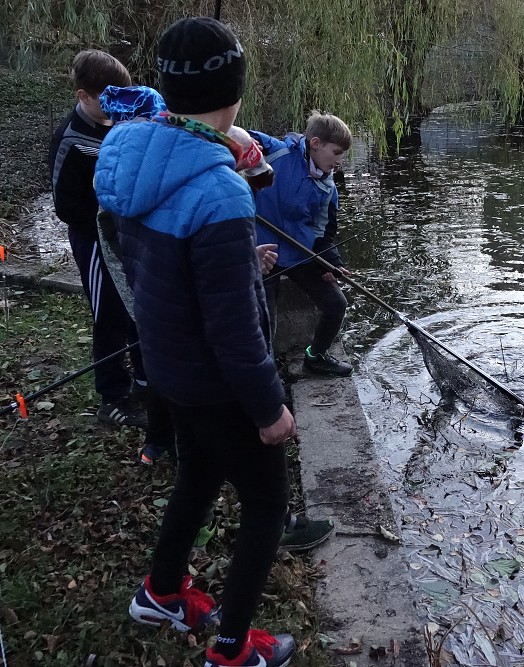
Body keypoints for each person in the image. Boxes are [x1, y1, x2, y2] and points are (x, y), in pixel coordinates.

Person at [94, 17, 296, 667]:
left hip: (167, 365)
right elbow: (236, 334)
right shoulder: (217, 192)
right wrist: (270, 410)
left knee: (201, 475)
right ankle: (233, 650)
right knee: (267, 500)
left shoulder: (132, 151)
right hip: (216, 382)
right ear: (235, 88)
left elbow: (155, 252)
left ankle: (159, 590)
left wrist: (238, 244)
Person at [47, 50, 146, 428]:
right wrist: (105, 215)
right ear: (83, 96)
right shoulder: (71, 140)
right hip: (93, 237)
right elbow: (65, 206)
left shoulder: (124, 122)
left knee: (138, 305)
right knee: (108, 313)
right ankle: (112, 397)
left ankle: (144, 378)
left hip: (128, 235)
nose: (116, 106)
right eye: (107, 99)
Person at [249, 112, 354, 377]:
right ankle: (266, 377)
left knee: (336, 304)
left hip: (299, 253)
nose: (340, 161)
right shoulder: (276, 152)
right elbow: (229, 135)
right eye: (337, 152)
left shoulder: (328, 188)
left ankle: (315, 356)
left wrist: (330, 262)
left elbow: (324, 232)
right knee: (264, 321)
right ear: (316, 143)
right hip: (263, 252)